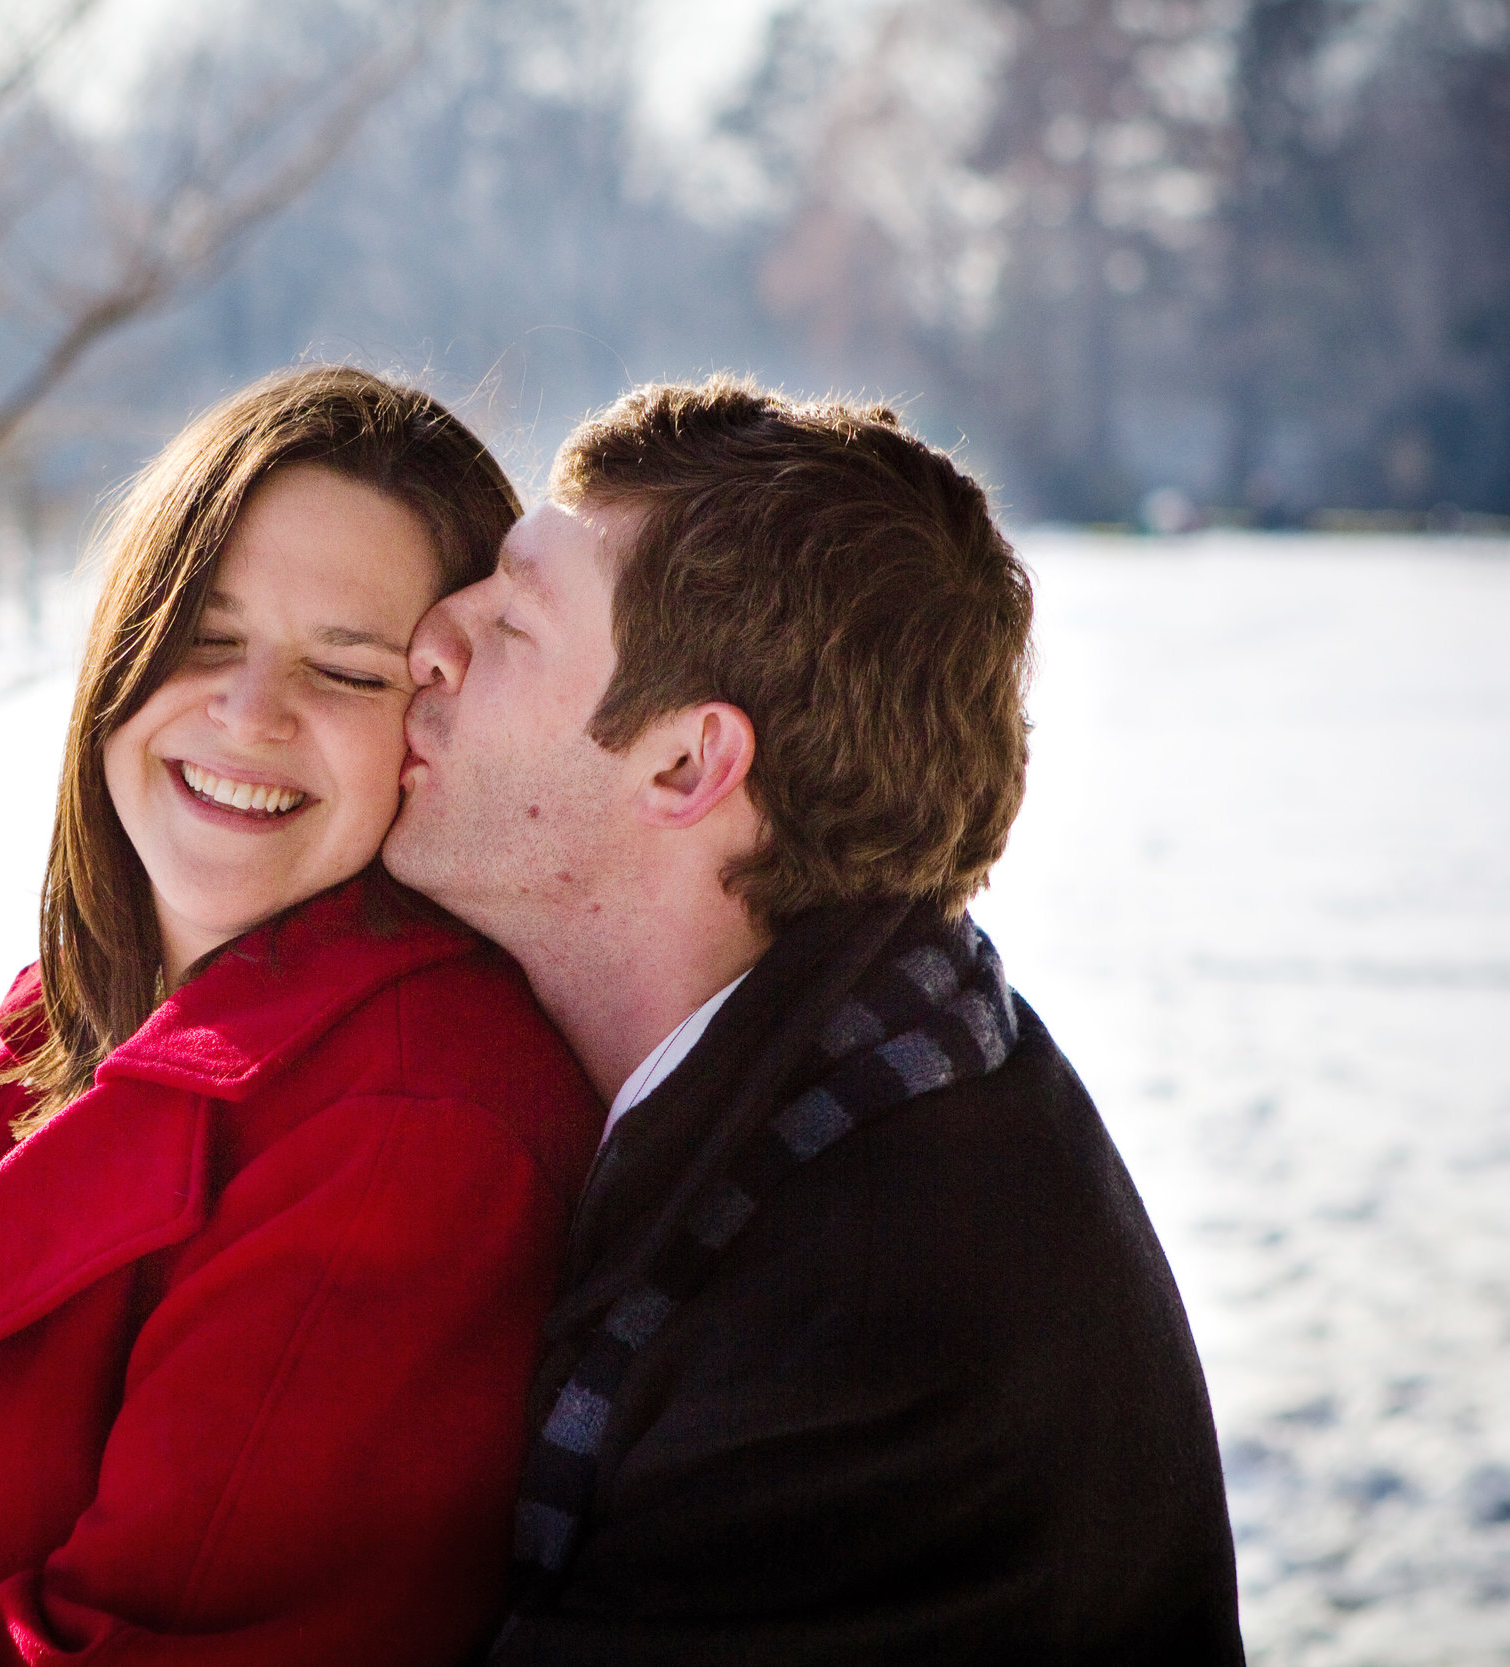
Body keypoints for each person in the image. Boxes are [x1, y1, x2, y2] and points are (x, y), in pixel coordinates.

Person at [0, 367, 603, 1667]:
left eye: (345, 666)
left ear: (435, 722)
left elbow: (154, 1644)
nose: (251, 712)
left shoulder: (410, 1120)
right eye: (207, 634)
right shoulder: (88, 1011)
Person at [385, 377, 1247, 1663]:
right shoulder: (858, 1072)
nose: (429, 639)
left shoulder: (869, 1322)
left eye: (512, 623)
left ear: (686, 765)